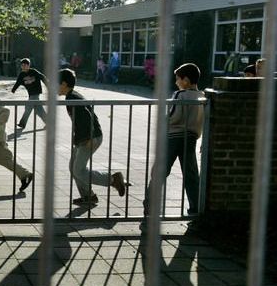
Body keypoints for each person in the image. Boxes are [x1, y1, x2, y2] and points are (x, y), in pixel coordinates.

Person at [143, 63, 205, 218]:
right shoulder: (202, 96)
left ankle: (150, 206)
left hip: (173, 137)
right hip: (191, 137)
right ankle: (195, 208)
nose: (176, 82)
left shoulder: (180, 95)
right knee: (191, 174)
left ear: (185, 80)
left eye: (178, 79)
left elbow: (174, 116)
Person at [58, 69, 127, 206]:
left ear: (64, 84)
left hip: (90, 138)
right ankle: (88, 196)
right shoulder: (71, 96)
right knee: (74, 168)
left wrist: (88, 136)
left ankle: (113, 180)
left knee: (79, 170)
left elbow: (87, 116)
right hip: (83, 138)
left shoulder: (73, 98)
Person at [11, 58, 49, 128]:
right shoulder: (22, 74)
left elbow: (42, 77)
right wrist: (13, 89)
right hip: (31, 93)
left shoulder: (33, 72)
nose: (23, 66)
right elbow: (18, 82)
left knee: (28, 107)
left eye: (25, 65)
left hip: (36, 92)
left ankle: (22, 123)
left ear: (29, 65)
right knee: (39, 110)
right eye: (22, 65)